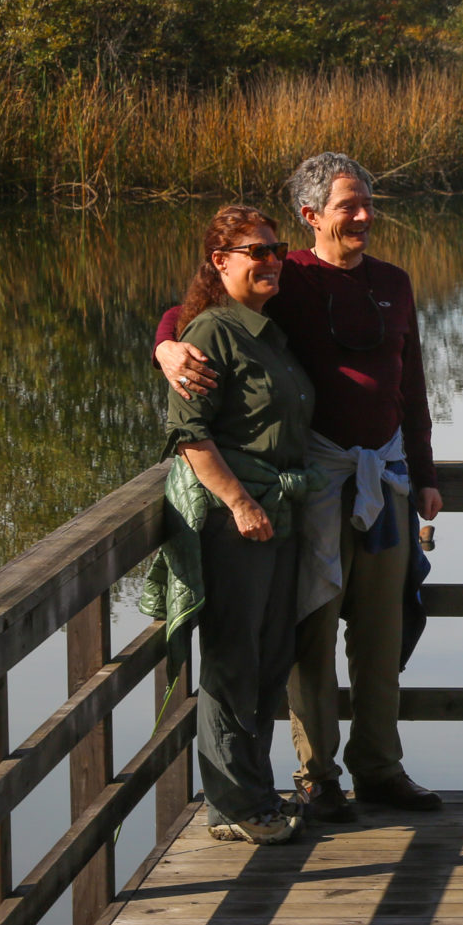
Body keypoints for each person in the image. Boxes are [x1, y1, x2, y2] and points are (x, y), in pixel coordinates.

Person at [155, 154, 444, 822]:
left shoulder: (394, 284)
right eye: (350, 205)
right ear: (312, 215)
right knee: (310, 631)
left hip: (388, 479)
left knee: (380, 631)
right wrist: (166, 346)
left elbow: (413, 387)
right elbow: (197, 306)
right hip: (317, 480)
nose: (365, 216)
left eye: (369, 202)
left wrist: (426, 473)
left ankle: (380, 767)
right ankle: (318, 775)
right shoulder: (288, 279)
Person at [148, 206, 320, 846]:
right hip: (237, 522)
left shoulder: (264, 329)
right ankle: (233, 804)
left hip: (279, 515)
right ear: (220, 262)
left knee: (270, 656)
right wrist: (240, 503)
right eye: (257, 251)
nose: (272, 260)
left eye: (276, 249)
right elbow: (187, 433)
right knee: (231, 659)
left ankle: (252, 793)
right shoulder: (213, 332)